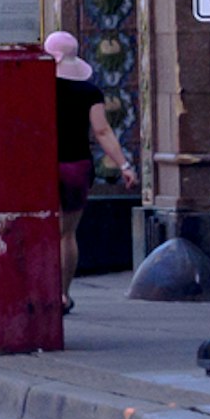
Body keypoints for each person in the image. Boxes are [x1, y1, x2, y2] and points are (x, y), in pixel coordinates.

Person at [48, 29, 132, 305]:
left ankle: (42, 290)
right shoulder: (88, 91)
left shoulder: (38, 84)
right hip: (76, 165)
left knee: (41, 229)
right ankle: (63, 294)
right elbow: (102, 131)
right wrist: (124, 165)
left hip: (42, 165)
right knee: (67, 233)